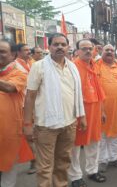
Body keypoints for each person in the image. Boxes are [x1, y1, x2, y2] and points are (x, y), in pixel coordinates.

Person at [23, 33, 87, 187]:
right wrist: (27, 124)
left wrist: (82, 117)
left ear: (68, 47)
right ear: (49, 47)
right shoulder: (39, 67)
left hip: (69, 123)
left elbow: (77, 94)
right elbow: (30, 96)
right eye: (56, 44)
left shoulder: (72, 67)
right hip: (46, 125)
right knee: (45, 166)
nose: (59, 47)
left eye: (63, 44)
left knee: (63, 163)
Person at [69, 39, 107, 186]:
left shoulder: (95, 65)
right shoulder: (72, 67)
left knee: (94, 142)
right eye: (83, 48)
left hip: (95, 110)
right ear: (77, 51)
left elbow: (99, 90)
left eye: (90, 48)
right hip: (78, 112)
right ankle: (75, 176)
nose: (87, 51)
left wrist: (102, 111)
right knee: (75, 146)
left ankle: (92, 170)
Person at [0, 40, 34, 187]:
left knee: (8, 167)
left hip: (9, 130)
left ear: (13, 55)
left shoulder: (19, 73)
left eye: (2, 51)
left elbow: (9, 88)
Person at [96, 44, 117, 172]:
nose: (109, 52)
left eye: (111, 50)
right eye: (106, 50)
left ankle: (113, 158)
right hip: (101, 108)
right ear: (101, 52)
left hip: (116, 107)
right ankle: (103, 161)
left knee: (115, 134)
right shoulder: (96, 65)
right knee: (102, 136)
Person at [14, 43, 37, 174]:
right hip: (20, 105)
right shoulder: (15, 65)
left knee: (31, 134)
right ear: (18, 52)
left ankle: (34, 159)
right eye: (25, 50)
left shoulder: (31, 64)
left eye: (29, 50)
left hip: (31, 104)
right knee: (26, 134)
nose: (29, 52)